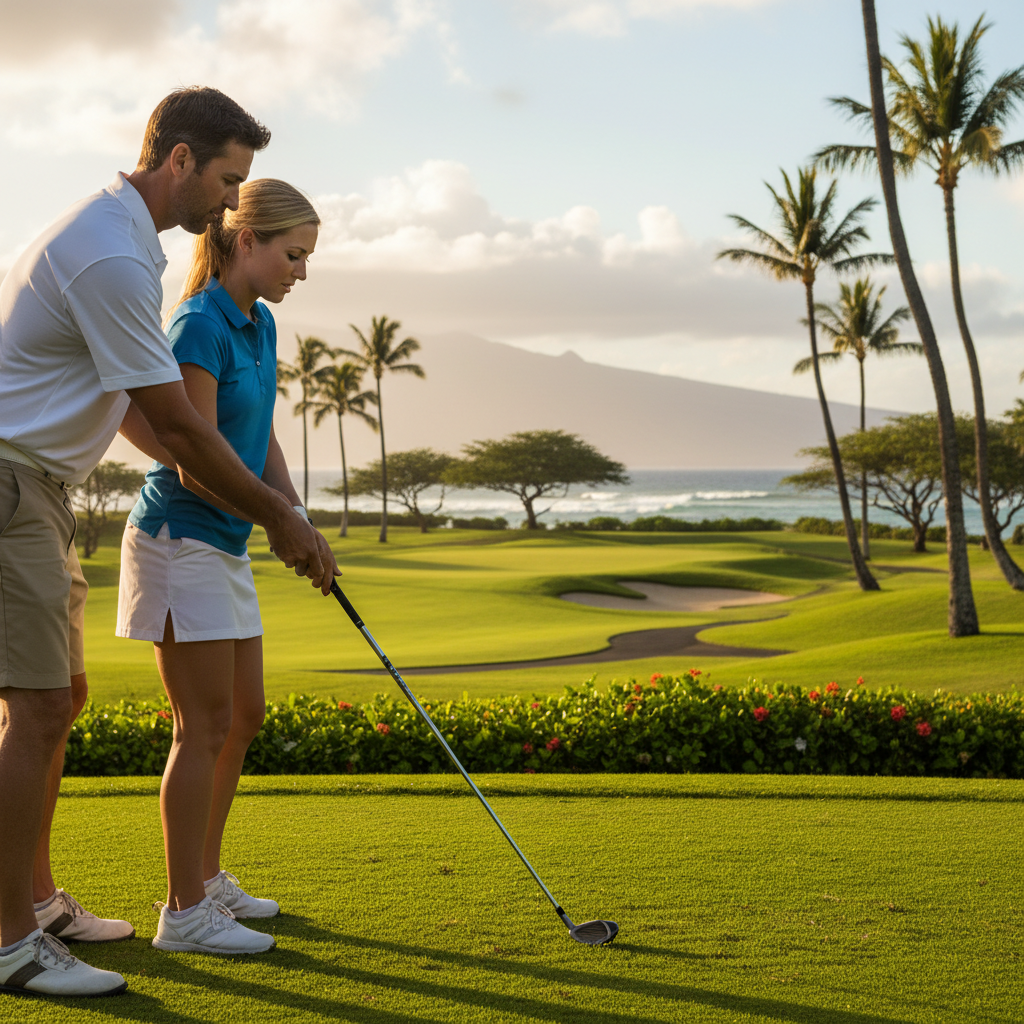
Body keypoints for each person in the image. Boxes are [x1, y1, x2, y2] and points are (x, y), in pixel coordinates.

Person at [0, 87, 337, 999]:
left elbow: (153, 420)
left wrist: (277, 508)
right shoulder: (113, 257)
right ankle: (9, 943)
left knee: (58, 702)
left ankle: (33, 905)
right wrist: (280, 517)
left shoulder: (121, 247)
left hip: (44, 489)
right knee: (33, 714)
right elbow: (183, 435)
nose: (231, 206)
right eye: (228, 182)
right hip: (12, 482)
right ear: (178, 160)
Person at [116, 179, 319, 955]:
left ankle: (207, 877)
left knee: (243, 717)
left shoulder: (257, 323)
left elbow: (259, 436)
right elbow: (192, 456)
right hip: (179, 538)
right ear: (245, 242)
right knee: (199, 727)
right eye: (292, 254)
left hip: (226, 543)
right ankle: (183, 912)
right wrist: (277, 521)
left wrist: (293, 518)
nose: (300, 270)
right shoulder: (197, 324)